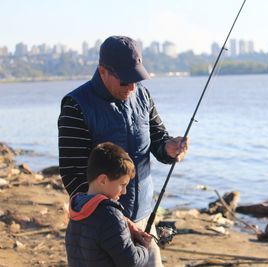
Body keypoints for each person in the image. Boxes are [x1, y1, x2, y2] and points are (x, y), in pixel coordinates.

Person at [58, 35, 189, 267]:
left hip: (145, 213)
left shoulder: (143, 96)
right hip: (102, 224)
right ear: (103, 71)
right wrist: (120, 220)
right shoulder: (76, 106)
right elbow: (73, 175)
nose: (131, 87)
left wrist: (169, 149)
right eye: (125, 81)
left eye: (136, 79)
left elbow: (158, 139)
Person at [65, 142, 151, 267]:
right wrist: (143, 247)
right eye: (122, 185)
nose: (124, 191)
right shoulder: (110, 215)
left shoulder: (77, 207)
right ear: (103, 180)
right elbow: (131, 262)